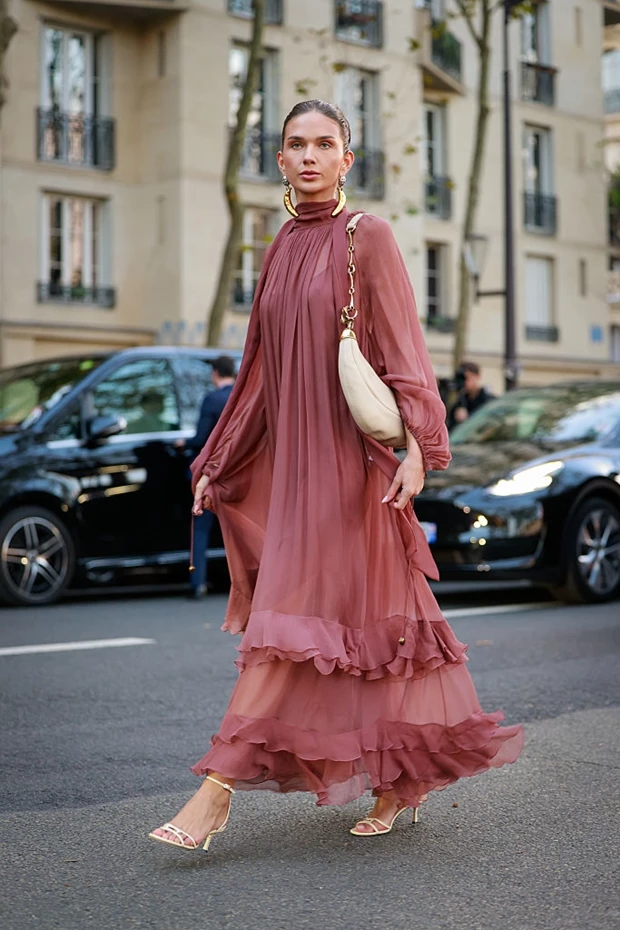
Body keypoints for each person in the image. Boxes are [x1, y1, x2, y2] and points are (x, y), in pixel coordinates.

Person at [149, 100, 523, 852]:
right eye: (296, 144)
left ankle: (215, 792)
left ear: (348, 158)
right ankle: (401, 781)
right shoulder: (280, 248)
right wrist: (217, 463)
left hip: (355, 478)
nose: (310, 156)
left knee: (296, 635)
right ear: (279, 159)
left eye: (326, 143)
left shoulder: (368, 236)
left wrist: (421, 448)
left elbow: (404, 353)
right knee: (356, 638)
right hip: (296, 478)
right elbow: (256, 377)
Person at [187, 356, 237, 600]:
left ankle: (198, 583)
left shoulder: (212, 400)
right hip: (237, 473)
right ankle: (243, 585)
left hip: (211, 474)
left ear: (215, 373)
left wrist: (182, 444)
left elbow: (200, 440)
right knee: (236, 530)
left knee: (202, 527)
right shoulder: (242, 398)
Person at [448, 361, 495, 430]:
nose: (464, 381)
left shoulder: (490, 402)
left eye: (467, 378)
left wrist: (469, 419)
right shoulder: (458, 404)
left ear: (477, 377)